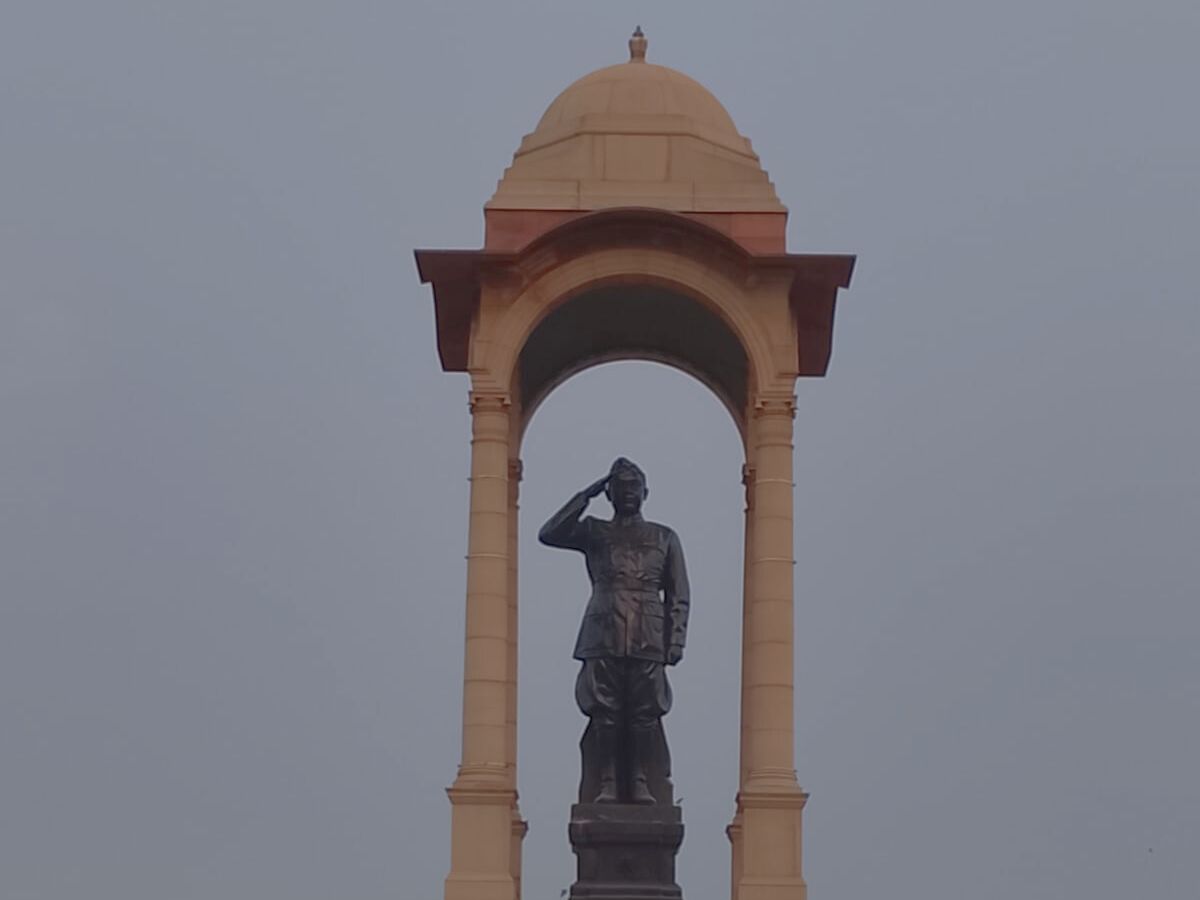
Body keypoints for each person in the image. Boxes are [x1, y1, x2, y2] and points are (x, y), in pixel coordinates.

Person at [539, 457, 690, 804]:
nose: (628, 493)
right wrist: (586, 494)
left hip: (648, 635)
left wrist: (676, 639)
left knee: (644, 713)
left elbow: (679, 593)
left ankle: (640, 782)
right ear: (610, 493)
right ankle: (606, 782)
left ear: (645, 492)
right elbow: (550, 533)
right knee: (604, 712)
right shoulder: (593, 531)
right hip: (603, 630)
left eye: (634, 487)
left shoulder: (664, 537)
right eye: (620, 487)